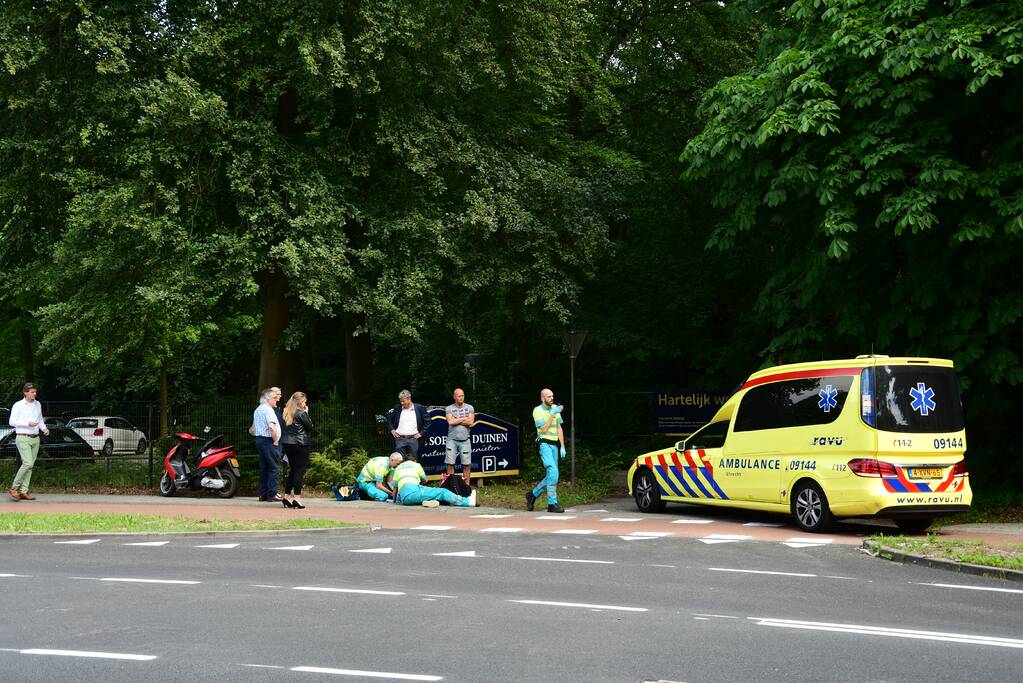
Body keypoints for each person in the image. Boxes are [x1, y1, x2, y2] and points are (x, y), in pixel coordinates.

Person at [525, 388, 566, 513]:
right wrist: (552, 414)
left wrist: (562, 446)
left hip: (554, 445)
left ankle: (532, 494)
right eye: (549, 396)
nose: (552, 398)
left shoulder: (555, 408)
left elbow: (559, 428)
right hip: (544, 443)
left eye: (552, 396)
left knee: (553, 475)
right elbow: (543, 429)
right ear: (542, 398)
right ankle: (552, 504)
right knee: (553, 471)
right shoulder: (537, 410)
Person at [9, 382, 50, 501]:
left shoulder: (38, 404)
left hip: (35, 438)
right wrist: (27, 423)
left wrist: (44, 429)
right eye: (32, 392)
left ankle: (24, 491)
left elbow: (40, 419)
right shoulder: (18, 405)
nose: (34, 394)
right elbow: (12, 422)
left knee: (30, 466)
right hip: (22, 437)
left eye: (35, 392)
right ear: (25, 392)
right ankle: (14, 488)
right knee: (27, 463)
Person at [392, 451, 476, 507]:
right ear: (414, 460)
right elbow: (425, 480)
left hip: (404, 498)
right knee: (443, 491)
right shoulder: (416, 465)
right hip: (413, 490)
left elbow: (395, 488)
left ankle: (428, 502)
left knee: (425, 494)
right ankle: (467, 502)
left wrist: (394, 501)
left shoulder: (398, 468)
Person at [281, 391, 313, 509]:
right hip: (301, 444)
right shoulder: (301, 413)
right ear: (300, 402)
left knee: (293, 470)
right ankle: (297, 499)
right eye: (304, 401)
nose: (305, 403)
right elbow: (310, 427)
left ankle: (287, 497)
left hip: (288, 444)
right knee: (299, 471)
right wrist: (306, 413)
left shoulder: (285, 412)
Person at [253, 387, 283, 502]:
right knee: (274, 467)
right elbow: (271, 427)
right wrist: (275, 440)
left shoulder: (258, 409)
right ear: (268, 399)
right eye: (275, 398)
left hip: (260, 440)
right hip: (269, 441)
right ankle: (272, 493)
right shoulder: (268, 410)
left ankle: (263, 494)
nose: (277, 400)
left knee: (264, 468)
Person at [386, 389, 429, 457]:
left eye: (403, 401)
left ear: (409, 399)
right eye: (401, 401)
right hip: (400, 439)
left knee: (412, 462)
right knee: (399, 462)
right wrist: (392, 429)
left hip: (413, 439)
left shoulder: (419, 408)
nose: (402, 403)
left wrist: (421, 433)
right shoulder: (397, 408)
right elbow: (389, 419)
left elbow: (428, 422)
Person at [445, 388, 474, 483]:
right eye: (459, 396)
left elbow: (470, 421)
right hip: (451, 440)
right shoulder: (449, 408)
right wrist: (464, 418)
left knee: (466, 465)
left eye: (462, 395)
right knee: (450, 464)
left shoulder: (469, 407)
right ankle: (452, 487)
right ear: (454, 397)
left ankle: (466, 487)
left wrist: (456, 419)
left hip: (465, 440)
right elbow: (450, 421)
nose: (461, 398)